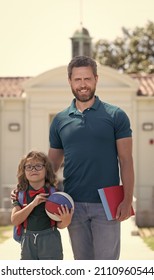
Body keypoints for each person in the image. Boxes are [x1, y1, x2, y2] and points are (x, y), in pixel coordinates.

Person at [48, 55, 134, 260]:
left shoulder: (116, 115)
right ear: (70, 81)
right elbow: (51, 165)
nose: (83, 84)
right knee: (83, 266)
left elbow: (126, 160)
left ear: (96, 79)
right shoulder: (60, 120)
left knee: (106, 268)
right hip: (72, 204)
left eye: (87, 79)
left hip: (107, 204)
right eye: (77, 79)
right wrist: (32, 190)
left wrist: (127, 199)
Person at [11, 150, 73, 260]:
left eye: (38, 166)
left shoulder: (56, 194)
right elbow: (15, 220)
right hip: (27, 241)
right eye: (29, 166)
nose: (33, 169)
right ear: (23, 171)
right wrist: (33, 204)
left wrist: (66, 219)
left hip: (50, 240)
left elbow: (60, 225)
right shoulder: (19, 194)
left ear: (46, 169)